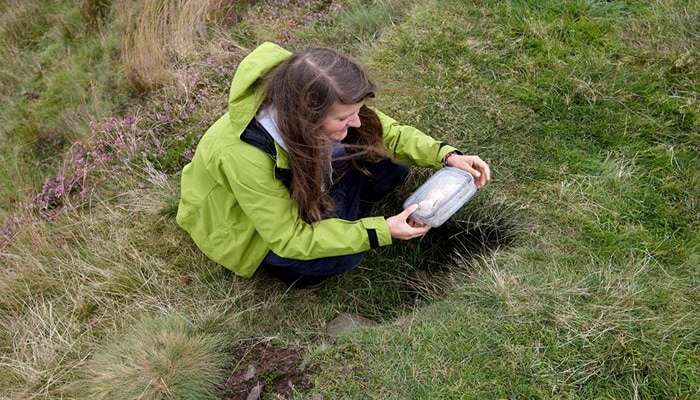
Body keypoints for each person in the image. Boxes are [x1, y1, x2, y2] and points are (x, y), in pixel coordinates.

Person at [176, 42, 490, 287]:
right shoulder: (244, 155)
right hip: (247, 231)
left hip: (295, 181)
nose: (354, 121)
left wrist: (446, 155)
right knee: (341, 259)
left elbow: (386, 132)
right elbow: (289, 238)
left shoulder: (310, 86)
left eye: (357, 109)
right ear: (306, 116)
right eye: (342, 118)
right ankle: (338, 221)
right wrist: (378, 230)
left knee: (389, 169)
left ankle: (336, 215)